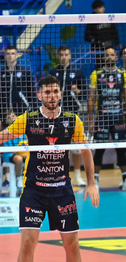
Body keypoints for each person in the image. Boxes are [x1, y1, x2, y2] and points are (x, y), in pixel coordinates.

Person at [0, 76, 100, 262]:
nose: (52, 95)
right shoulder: (29, 119)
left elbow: (85, 151)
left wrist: (91, 183)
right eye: (47, 92)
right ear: (39, 95)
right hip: (34, 191)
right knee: (28, 242)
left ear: (60, 94)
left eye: (56, 91)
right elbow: (4, 136)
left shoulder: (71, 121)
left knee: (72, 244)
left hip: (62, 191)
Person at [88, 47, 126, 191]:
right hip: (102, 117)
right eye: (107, 55)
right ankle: (94, 180)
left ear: (116, 58)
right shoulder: (96, 75)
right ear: (103, 58)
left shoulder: (123, 75)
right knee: (99, 149)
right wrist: (90, 120)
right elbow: (91, 98)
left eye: (112, 55)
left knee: (121, 149)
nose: (109, 57)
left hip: (118, 118)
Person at [49, 45, 87, 186]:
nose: (64, 57)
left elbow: (85, 93)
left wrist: (78, 91)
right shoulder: (53, 72)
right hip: (56, 115)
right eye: (61, 55)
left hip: (73, 115)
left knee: (76, 147)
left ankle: (77, 176)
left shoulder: (77, 72)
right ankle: (60, 175)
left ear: (70, 56)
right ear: (58, 57)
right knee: (57, 147)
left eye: (66, 54)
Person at [0, 46, 34, 116]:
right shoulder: (1, 74)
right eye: (8, 54)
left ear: (17, 56)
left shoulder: (25, 72)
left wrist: (33, 114)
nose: (10, 56)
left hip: (22, 114)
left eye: (13, 53)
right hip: (5, 116)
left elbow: (32, 94)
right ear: (5, 56)